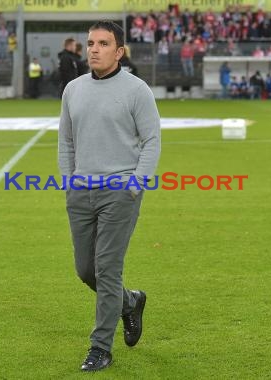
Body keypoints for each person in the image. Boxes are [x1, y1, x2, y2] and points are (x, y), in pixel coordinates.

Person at [58, 20, 160, 372]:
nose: (94, 49)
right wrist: (68, 181)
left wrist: (135, 184)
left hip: (120, 192)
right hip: (80, 192)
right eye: (90, 43)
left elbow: (151, 141)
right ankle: (130, 303)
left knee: (107, 269)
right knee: (86, 270)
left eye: (103, 43)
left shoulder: (136, 90)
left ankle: (100, 347)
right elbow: (66, 140)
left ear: (119, 52)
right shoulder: (73, 89)